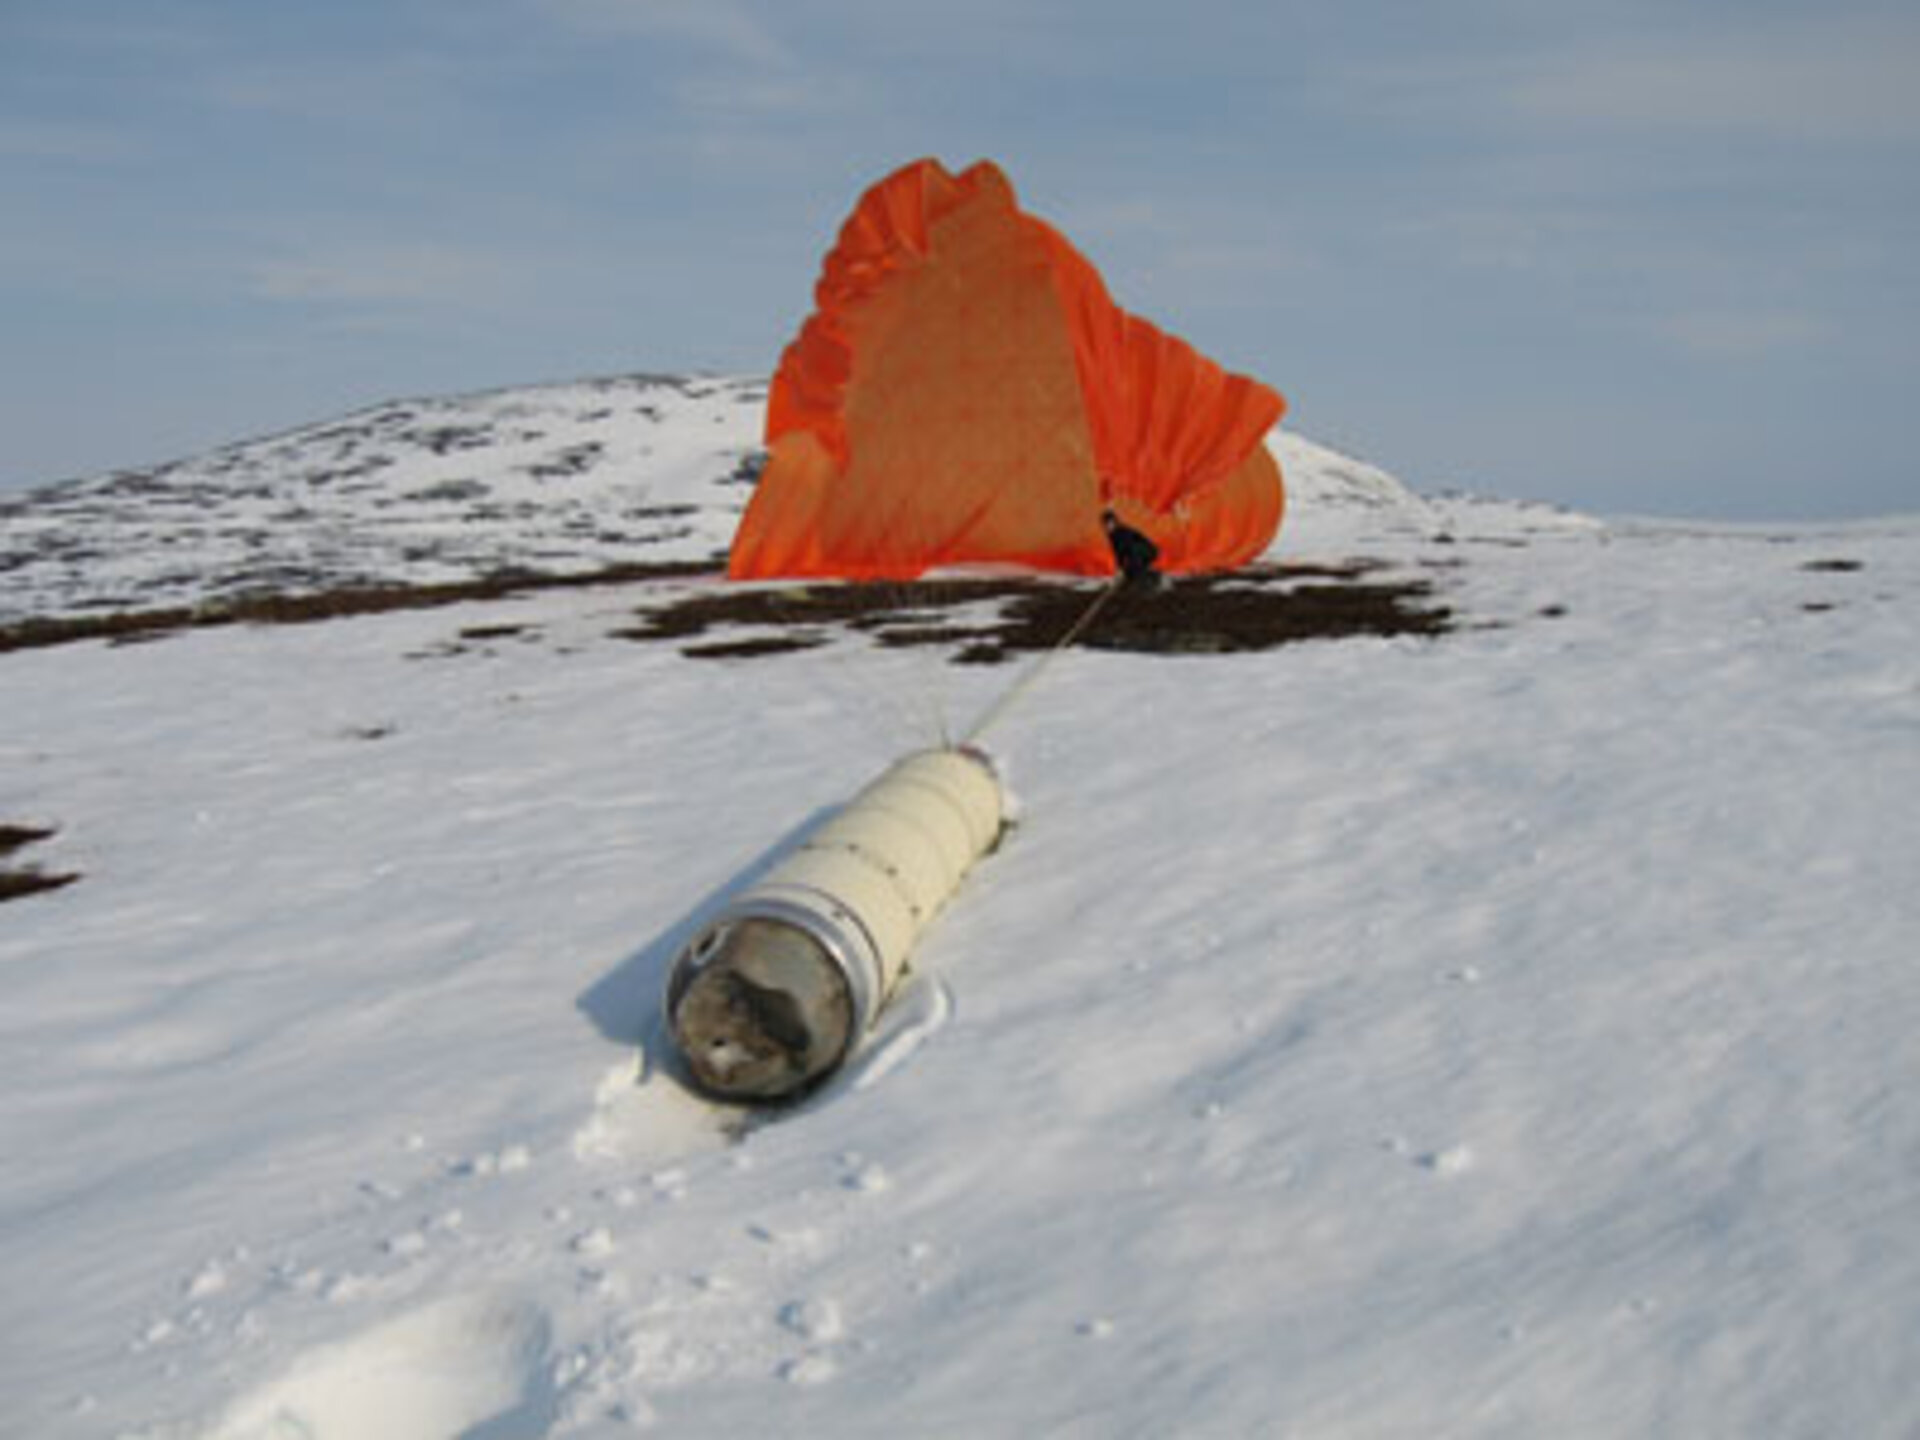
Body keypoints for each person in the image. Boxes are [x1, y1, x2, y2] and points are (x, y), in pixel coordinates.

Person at [1101, 509, 1161, 588]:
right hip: (1137, 553)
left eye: (1109, 524)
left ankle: (1156, 578)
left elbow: (1127, 549)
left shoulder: (1122, 532)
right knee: (1130, 572)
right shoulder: (1112, 536)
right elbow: (1118, 553)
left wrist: (1123, 568)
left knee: (1134, 568)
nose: (1107, 527)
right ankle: (1150, 576)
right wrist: (1120, 569)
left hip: (1147, 551)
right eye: (1105, 525)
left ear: (1114, 522)